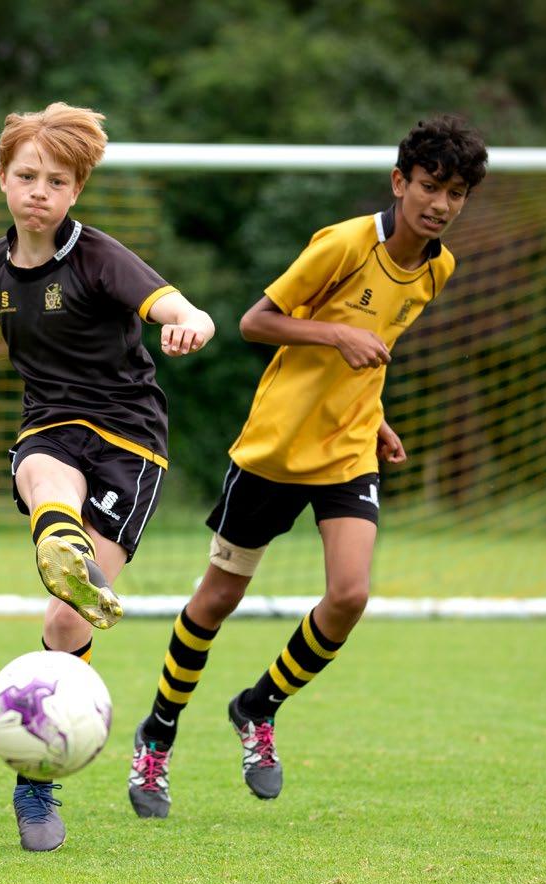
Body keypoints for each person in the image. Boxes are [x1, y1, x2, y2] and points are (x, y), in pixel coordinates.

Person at [0, 103, 215, 851]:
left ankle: (68, 560)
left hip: (128, 442)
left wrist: (192, 322)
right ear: (3, 178)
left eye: (56, 181)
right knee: (45, 471)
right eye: (27, 176)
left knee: (64, 624)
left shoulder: (99, 258)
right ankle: (35, 780)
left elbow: (174, 304)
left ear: (76, 191)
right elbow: (2, 335)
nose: (39, 192)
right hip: (50, 423)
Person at [127, 115, 488, 819]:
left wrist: (375, 419)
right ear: (399, 182)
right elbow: (255, 322)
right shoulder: (345, 244)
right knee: (216, 600)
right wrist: (335, 334)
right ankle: (157, 734)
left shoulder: (438, 268)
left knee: (349, 594)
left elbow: (369, 353)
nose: (441, 204)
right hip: (276, 449)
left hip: (347, 451)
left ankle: (257, 706)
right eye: (430, 185)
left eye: (456, 193)